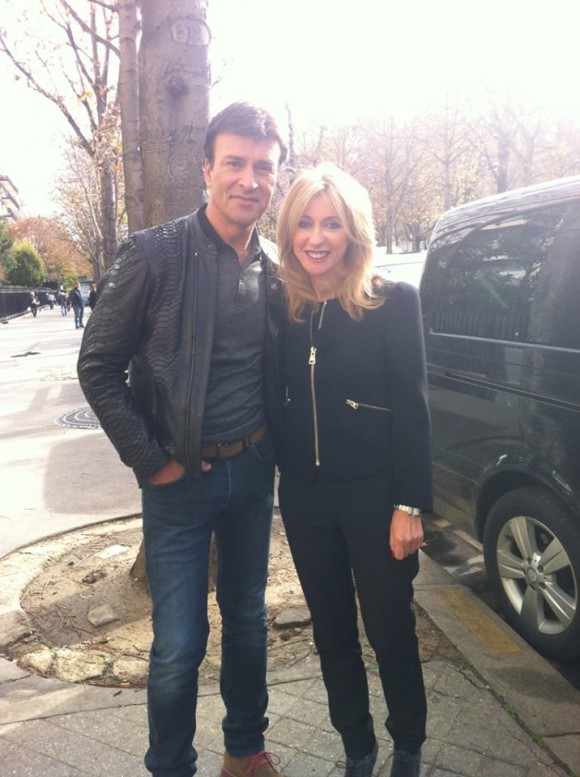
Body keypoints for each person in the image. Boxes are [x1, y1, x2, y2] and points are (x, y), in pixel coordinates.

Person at [77, 102, 288, 777]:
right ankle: (171, 765)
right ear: (207, 168)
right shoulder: (154, 253)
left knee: (248, 621)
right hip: (178, 481)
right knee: (177, 644)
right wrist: (152, 462)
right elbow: (97, 366)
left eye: (263, 167)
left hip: (252, 472)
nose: (249, 180)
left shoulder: (274, 265)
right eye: (235, 163)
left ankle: (245, 752)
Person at [275, 163, 432, 777]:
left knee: (390, 630)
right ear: (289, 232)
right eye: (304, 224)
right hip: (306, 499)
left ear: (353, 232)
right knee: (332, 634)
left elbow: (412, 406)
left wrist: (409, 504)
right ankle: (357, 749)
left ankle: (408, 746)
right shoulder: (281, 306)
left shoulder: (392, 301)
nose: (316, 238)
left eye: (331, 224)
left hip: (377, 498)